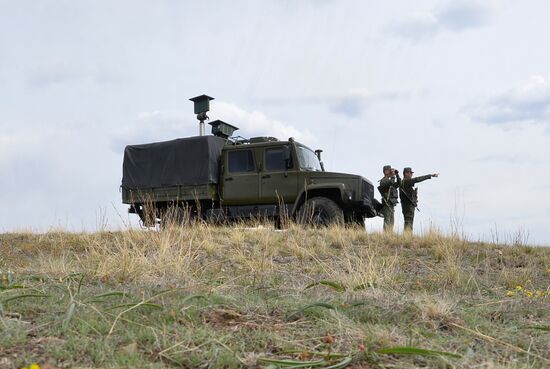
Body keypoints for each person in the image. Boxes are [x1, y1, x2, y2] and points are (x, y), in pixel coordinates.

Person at [399, 167, 438, 233]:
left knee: (408, 221)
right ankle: (408, 236)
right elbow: (418, 179)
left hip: (406, 204)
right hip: (408, 205)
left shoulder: (403, 182)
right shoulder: (407, 181)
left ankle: (407, 236)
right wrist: (430, 175)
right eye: (410, 173)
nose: (411, 174)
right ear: (406, 173)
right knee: (409, 221)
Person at [378, 165, 401, 232]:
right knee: (387, 219)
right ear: (385, 171)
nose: (391, 171)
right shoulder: (383, 180)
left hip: (391, 203)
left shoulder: (390, 180)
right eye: (389, 170)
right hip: (387, 202)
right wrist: (393, 176)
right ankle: (386, 234)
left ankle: (390, 234)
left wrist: (397, 175)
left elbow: (399, 184)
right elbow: (390, 183)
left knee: (392, 220)